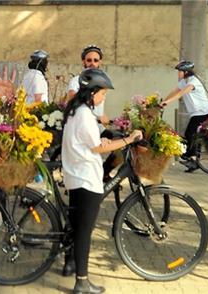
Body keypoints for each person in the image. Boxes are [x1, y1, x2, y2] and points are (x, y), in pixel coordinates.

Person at [62, 69, 142, 294]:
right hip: (86, 179)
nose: (103, 98)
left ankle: (71, 266)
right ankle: (82, 283)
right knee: (83, 232)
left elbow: (89, 139)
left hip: (76, 175)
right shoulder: (85, 115)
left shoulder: (76, 111)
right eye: (103, 94)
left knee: (77, 227)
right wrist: (128, 139)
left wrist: (106, 137)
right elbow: (98, 147)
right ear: (92, 92)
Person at [66, 45, 117, 181]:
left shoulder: (101, 81)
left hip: (98, 127)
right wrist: (97, 117)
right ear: (83, 62)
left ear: (100, 62)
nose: (92, 63)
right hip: (85, 127)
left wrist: (105, 118)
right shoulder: (76, 81)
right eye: (89, 60)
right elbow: (71, 103)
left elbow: (99, 109)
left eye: (96, 60)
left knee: (120, 144)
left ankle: (105, 172)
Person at [161, 61, 208, 172]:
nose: (178, 74)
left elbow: (180, 94)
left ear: (186, 72)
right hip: (196, 112)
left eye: (179, 71)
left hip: (202, 112)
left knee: (190, 133)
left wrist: (167, 103)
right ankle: (193, 160)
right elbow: (174, 91)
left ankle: (192, 159)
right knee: (192, 134)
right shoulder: (184, 81)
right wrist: (163, 102)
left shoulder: (193, 82)